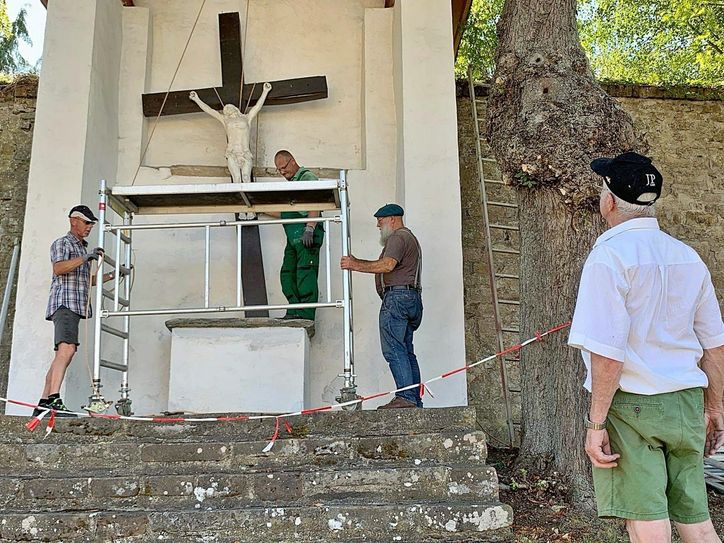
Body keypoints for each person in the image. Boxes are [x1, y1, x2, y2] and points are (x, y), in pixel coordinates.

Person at [569, 152, 724, 543]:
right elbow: (715, 346)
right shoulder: (688, 257)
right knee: (696, 519)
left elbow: (607, 354)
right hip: (687, 402)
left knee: (646, 520)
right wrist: (714, 407)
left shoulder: (608, 258)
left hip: (634, 405)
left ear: (608, 199)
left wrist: (595, 424)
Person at [33, 205, 114, 417]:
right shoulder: (63, 243)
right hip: (65, 304)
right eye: (86, 223)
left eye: (91, 224)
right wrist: (86, 258)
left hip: (76, 306)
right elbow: (59, 268)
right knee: (66, 350)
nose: (89, 227)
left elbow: (86, 281)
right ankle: (53, 400)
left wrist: (111, 276)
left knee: (64, 352)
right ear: (73, 221)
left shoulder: (81, 248)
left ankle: (43, 403)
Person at [340, 204, 423, 409]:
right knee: (405, 349)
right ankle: (413, 398)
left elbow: (387, 265)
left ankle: (407, 397)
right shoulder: (409, 238)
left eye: (381, 220)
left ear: (393, 219)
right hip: (410, 298)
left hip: (398, 298)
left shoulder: (398, 237)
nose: (378, 225)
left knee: (394, 348)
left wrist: (354, 265)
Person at [269, 150, 324, 320]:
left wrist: (310, 227)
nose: (282, 172)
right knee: (287, 273)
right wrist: (257, 209)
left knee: (305, 273)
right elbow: (286, 213)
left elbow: (315, 201)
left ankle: (306, 315)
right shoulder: (291, 184)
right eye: (279, 170)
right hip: (292, 239)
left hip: (306, 236)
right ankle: (293, 311)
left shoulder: (307, 178)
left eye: (284, 168)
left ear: (292, 161)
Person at [189, 82, 272, 184]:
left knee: (246, 178)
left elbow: (257, 107)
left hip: (245, 153)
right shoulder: (225, 120)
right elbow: (209, 110)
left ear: (235, 109)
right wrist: (196, 99)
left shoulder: (246, 118)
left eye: (229, 107)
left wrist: (265, 91)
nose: (227, 109)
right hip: (232, 153)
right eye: (225, 109)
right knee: (236, 179)